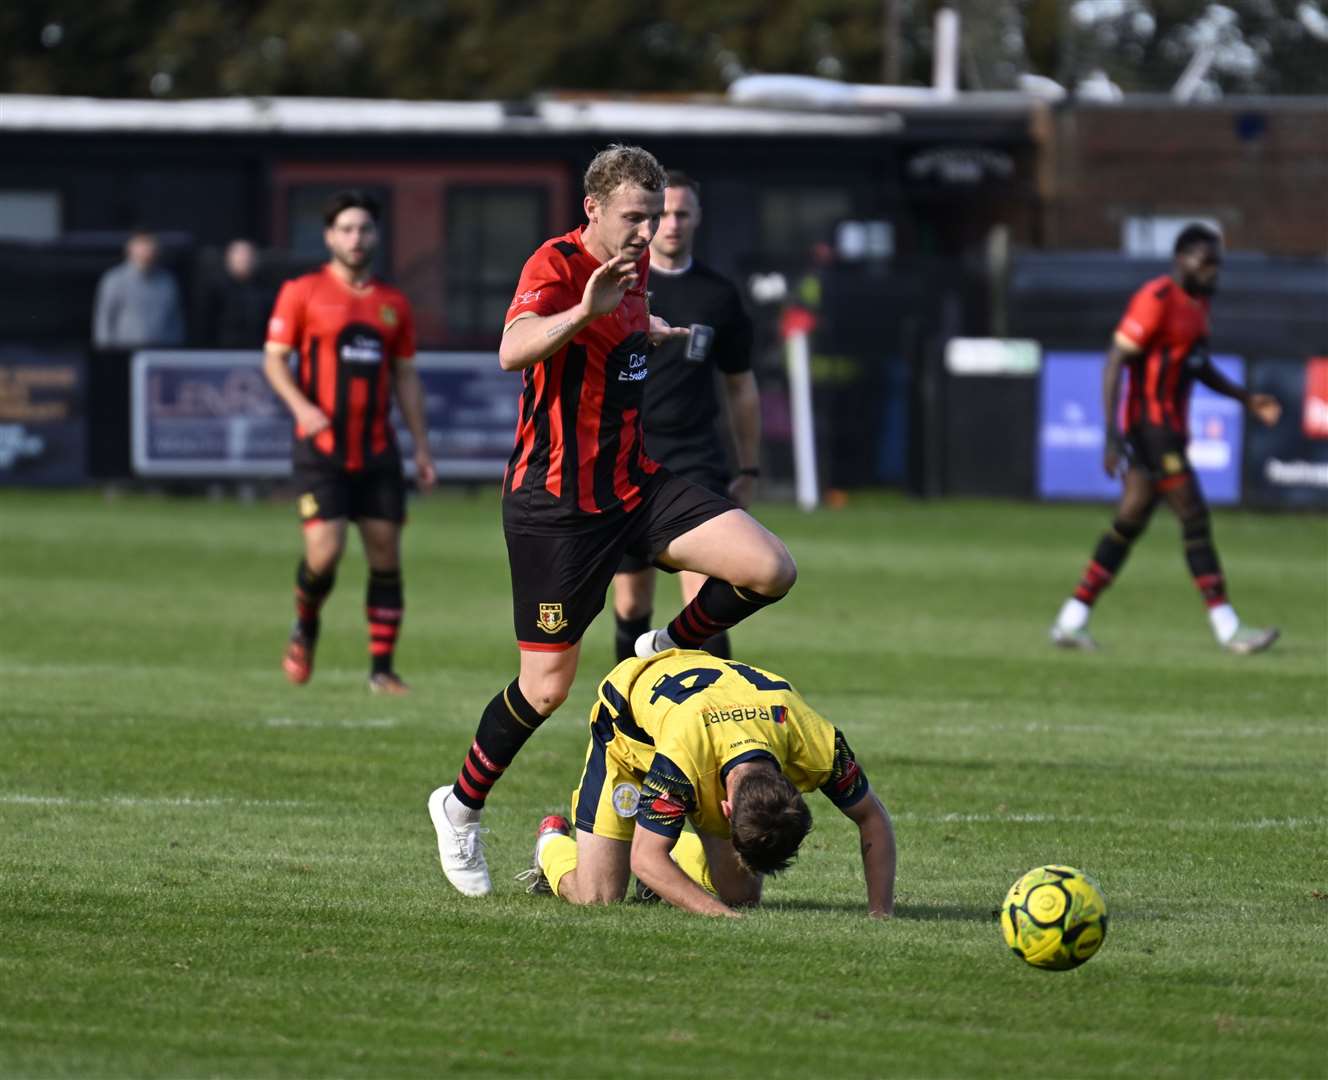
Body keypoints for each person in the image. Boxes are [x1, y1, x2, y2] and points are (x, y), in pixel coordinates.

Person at [428, 145, 797, 898]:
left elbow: (614, 345)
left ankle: (660, 645)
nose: (647, 231)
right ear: (592, 208)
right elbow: (512, 349)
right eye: (634, 217)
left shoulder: (636, 276)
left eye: (655, 217)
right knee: (546, 689)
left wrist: (644, 328)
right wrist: (585, 310)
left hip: (637, 486)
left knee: (768, 568)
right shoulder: (559, 266)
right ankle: (460, 805)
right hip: (556, 509)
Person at [519, 649, 896, 919]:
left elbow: (872, 818)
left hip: (707, 711)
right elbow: (646, 859)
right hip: (628, 730)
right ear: (726, 809)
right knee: (598, 897)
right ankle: (550, 844)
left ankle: (669, 871)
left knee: (741, 896)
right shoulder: (682, 762)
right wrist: (717, 916)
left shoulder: (812, 741)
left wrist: (881, 913)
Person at [1050, 224, 1282, 654]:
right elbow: (1115, 361)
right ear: (1182, 259)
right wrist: (1111, 435)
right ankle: (1228, 627)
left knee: (1129, 522)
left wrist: (1245, 398)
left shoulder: (1198, 306)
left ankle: (1071, 619)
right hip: (1151, 430)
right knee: (1194, 517)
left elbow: (1197, 366)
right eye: (1206, 261)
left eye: (1217, 263)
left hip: (1169, 430)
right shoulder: (1155, 299)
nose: (1213, 271)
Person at [262, 190, 437, 695]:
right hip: (322, 451)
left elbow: (406, 377)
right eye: (346, 229)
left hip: (378, 449)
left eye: (364, 229)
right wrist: (302, 407)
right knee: (325, 552)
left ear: (376, 236)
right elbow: (274, 360)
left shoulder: (392, 303)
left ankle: (382, 669)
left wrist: (422, 447)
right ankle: (305, 623)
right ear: (329, 236)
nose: (356, 238)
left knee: (385, 553)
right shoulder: (302, 292)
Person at [611, 171, 761, 662]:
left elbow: (740, 384)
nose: (670, 224)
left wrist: (749, 468)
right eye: (662, 214)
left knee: (707, 598)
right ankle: (627, 716)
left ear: (698, 219)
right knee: (631, 601)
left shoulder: (718, 295)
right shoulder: (621, 283)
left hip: (695, 456)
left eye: (681, 213)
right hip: (629, 456)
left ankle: (720, 718)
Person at [92, 230, 186, 349]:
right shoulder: (114, 279)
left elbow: (175, 319)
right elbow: (104, 319)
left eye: (150, 249)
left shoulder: (167, 281)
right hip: (123, 350)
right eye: (142, 249)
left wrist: (177, 348)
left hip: (161, 350)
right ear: (130, 251)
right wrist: (105, 350)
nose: (146, 253)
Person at [203, 239, 274, 348]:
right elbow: (205, 325)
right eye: (239, 255)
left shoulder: (266, 289)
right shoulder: (215, 289)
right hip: (219, 354)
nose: (244, 259)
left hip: (257, 352)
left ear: (256, 259)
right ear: (228, 259)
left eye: (248, 256)